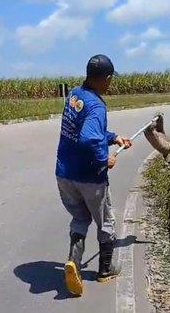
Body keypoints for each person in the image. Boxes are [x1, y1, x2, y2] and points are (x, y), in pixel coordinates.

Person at [55, 54, 132, 296]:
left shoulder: (75, 95)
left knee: (79, 219)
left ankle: (73, 264)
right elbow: (89, 137)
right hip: (90, 177)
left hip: (65, 174)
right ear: (106, 78)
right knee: (106, 221)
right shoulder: (97, 105)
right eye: (110, 79)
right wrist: (103, 159)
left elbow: (83, 130)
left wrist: (113, 138)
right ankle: (105, 270)